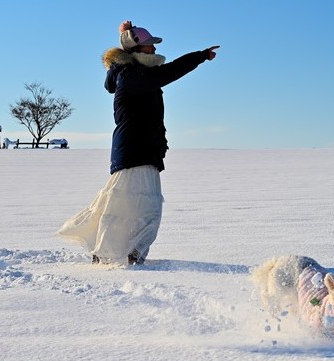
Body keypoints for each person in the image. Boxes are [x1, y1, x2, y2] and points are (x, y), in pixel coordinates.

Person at [57, 20, 220, 265]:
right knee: (142, 207)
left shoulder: (130, 72)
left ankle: (115, 253)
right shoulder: (133, 76)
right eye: (149, 46)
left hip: (139, 149)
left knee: (127, 204)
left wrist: (125, 34)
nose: (154, 50)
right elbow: (169, 72)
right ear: (135, 51)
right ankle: (122, 254)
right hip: (136, 149)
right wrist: (199, 56)